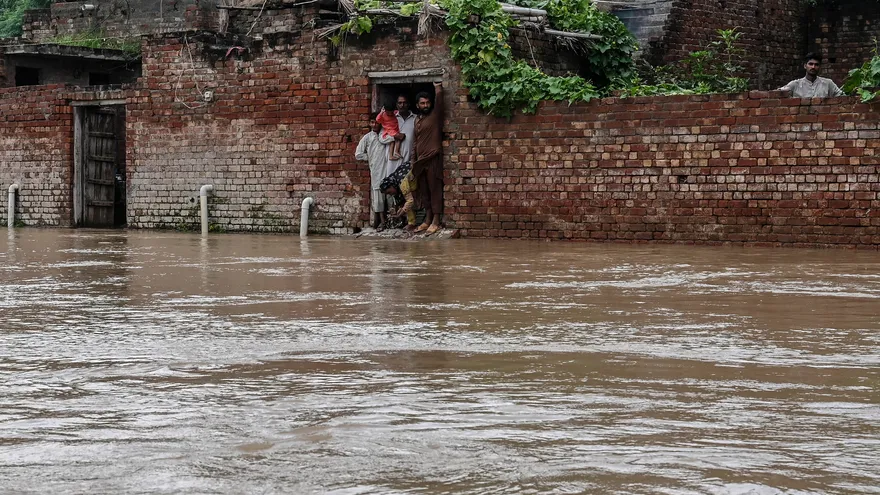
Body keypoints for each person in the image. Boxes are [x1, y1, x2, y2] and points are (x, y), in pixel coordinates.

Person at [412, 81, 444, 235]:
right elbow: (415, 142)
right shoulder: (417, 120)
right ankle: (428, 218)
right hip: (420, 162)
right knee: (424, 191)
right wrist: (413, 161)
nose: (425, 105)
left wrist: (438, 87)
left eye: (427, 103)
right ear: (417, 105)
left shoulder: (434, 115)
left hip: (432, 158)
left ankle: (436, 221)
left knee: (434, 189)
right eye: (422, 103)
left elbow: (440, 101)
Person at [355, 114, 394, 230]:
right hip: (376, 170)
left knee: (391, 196)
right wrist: (370, 157)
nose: (374, 125)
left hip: (388, 169)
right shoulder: (367, 138)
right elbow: (358, 154)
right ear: (369, 123)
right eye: (372, 122)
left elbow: (394, 139)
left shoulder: (385, 134)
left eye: (376, 122)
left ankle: (394, 220)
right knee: (378, 197)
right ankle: (382, 222)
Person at [779, 53, 844, 98]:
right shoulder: (795, 84)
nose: (813, 67)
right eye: (810, 64)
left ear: (820, 67)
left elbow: (843, 96)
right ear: (805, 66)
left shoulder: (828, 83)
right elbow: (778, 94)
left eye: (816, 65)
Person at [380, 161, 418, 231]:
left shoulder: (402, 183)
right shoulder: (394, 179)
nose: (390, 194)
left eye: (389, 192)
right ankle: (411, 222)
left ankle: (413, 224)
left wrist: (400, 214)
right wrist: (401, 210)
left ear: (392, 186)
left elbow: (410, 201)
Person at [386, 94, 417, 179]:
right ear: (396, 104)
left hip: (408, 159)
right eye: (400, 103)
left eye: (405, 103)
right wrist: (395, 136)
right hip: (392, 160)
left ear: (409, 104)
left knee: (406, 184)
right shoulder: (390, 118)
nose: (402, 105)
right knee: (391, 183)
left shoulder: (416, 119)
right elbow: (382, 137)